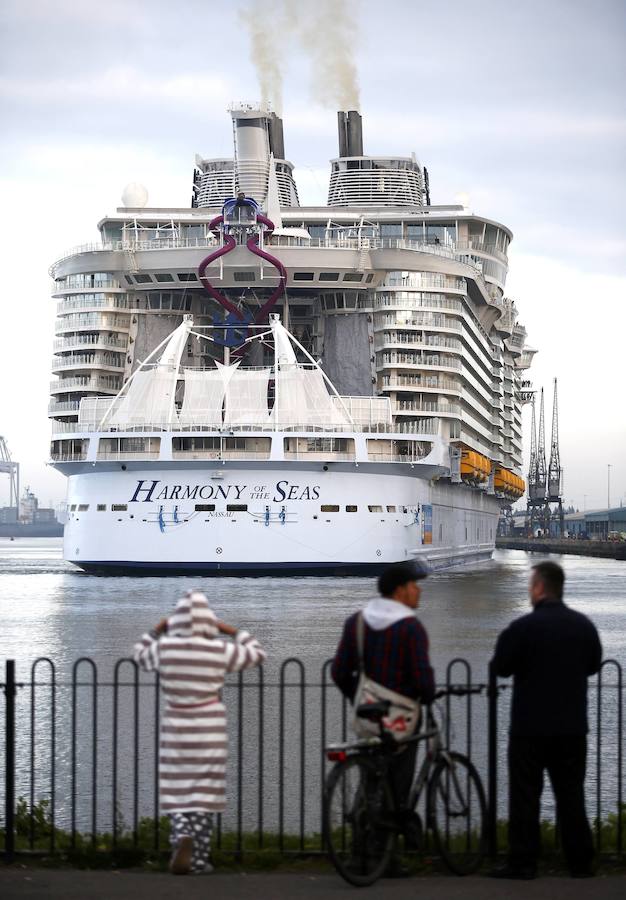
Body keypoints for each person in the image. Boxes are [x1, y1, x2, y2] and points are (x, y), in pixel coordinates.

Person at [134, 590, 265, 875]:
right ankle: (200, 860)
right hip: (210, 727)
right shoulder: (217, 650)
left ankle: (181, 834)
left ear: (175, 622)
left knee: (176, 790)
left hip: (176, 727)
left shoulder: (166, 648)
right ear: (210, 622)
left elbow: (140, 656)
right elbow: (257, 654)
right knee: (204, 792)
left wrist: (157, 628)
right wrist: (231, 630)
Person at [490, 561, 602, 880]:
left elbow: (501, 667)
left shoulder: (522, 628)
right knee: (571, 795)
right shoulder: (584, 627)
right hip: (571, 727)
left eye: (530, 585)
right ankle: (581, 862)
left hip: (529, 728)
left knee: (525, 796)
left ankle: (523, 862)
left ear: (539, 588)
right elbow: (593, 665)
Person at [331, 560, 435, 861]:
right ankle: (385, 857)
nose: (419, 591)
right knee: (398, 785)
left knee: (370, 778)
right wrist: (428, 696)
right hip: (402, 718)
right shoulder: (410, 628)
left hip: (369, 715)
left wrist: (360, 700)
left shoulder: (357, 623)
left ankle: (360, 849)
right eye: (415, 586)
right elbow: (422, 679)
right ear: (400, 591)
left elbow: (339, 672)